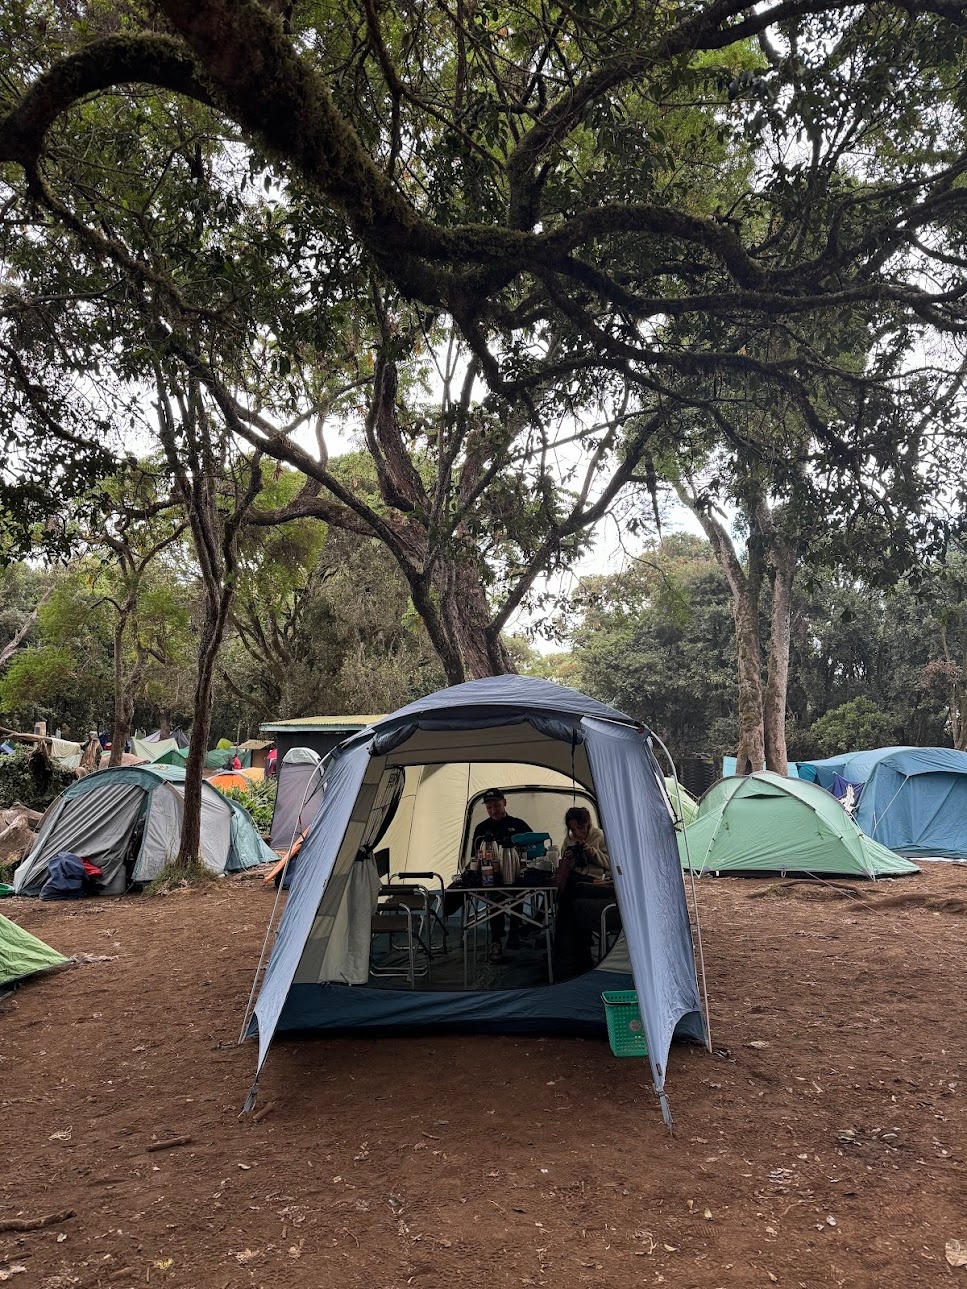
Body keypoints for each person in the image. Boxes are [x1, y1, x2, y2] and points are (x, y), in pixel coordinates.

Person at [553, 806, 616, 975]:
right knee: (571, 894)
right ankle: (572, 950)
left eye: (579, 828)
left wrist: (591, 852)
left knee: (569, 895)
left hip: (595, 881)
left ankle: (562, 949)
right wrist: (569, 857)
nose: (577, 833)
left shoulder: (599, 836)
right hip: (576, 878)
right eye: (573, 829)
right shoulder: (569, 840)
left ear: (587, 823)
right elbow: (566, 865)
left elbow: (610, 864)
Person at [470, 788, 531, 961]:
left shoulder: (518, 825)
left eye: (496, 805)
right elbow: (474, 855)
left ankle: (514, 932)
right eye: (489, 807)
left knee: (519, 892)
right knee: (494, 897)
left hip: (516, 874)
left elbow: (534, 845)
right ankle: (496, 939)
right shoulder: (482, 828)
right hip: (491, 876)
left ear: (504, 803)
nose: (493, 810)